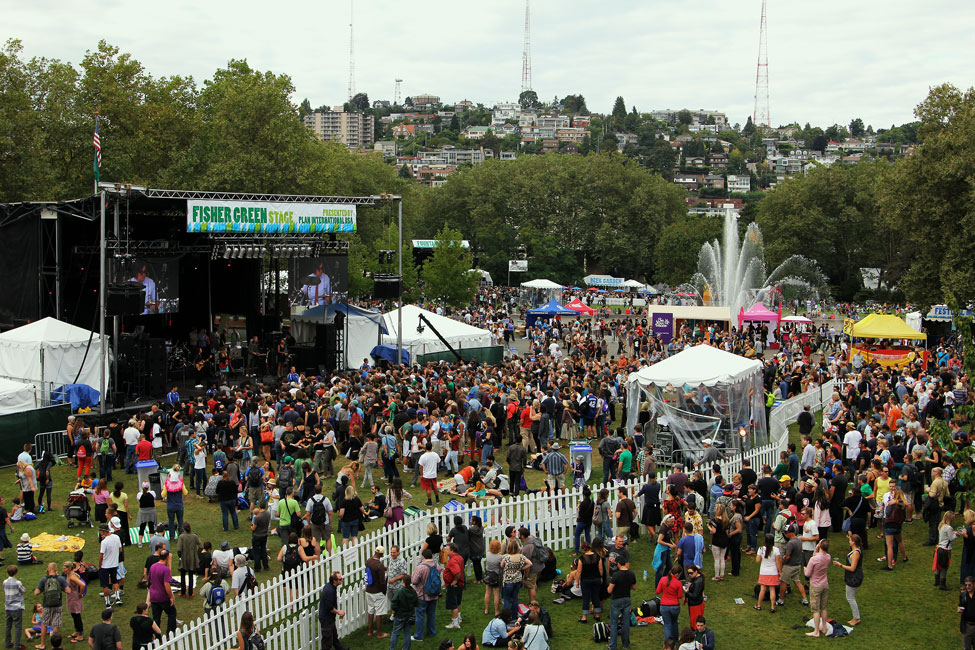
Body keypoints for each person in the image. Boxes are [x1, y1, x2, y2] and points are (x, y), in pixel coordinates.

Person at [33, 562, 69, 650]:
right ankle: (55, 645)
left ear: (47, 570)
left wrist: (44, 590)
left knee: (44, 624)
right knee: (56, 625)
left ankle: (42, 644)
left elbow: (36, 592)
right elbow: (68, 591)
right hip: (58, 605)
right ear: (56, 570)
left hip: (46, 605)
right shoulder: (60, 579)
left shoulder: (43, 579)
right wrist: (60, 588)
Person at [411, 549, 440, 642]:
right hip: (434, 594)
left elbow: (414, 581)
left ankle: (419, 636)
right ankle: (432, 632)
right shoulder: (436, 565)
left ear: (423, 556)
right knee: (431, 614)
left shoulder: (421, 567)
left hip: (422, 595)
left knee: (420, 615)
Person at [606, 557, 635, 650]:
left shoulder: (616, 575)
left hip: (616, 600)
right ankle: (626, 644)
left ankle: (613, 645)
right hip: (627, 599)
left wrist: (608, 585)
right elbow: (634, 587)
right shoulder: (631, 574)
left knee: (614, 623)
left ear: (618, 564)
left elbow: (609, 590)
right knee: (625, 623)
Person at [804, 539, 831, 637]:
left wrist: (805, 569)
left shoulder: (814, 559)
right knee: (824, 607)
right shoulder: (828, 557)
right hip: (825, 584)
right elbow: (818, 556)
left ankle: (816, 631)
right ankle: (824, 627)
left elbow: (807, 574)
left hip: (815, 585)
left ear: (819, 546)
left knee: (816, 609)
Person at [148, 549, 177, 634]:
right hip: (163, 597)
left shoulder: (153, 566)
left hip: (154, 597)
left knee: (156, 618)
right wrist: (171, 596)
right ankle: (170, 633)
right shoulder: (165, 569)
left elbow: (150, 580)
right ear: (167, 557)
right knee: (172, 613)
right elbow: (166, 584)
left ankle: (157, 636)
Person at [318, 572, 349, 650]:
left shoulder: (330, 586)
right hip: (326, 619)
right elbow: (329, 607)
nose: (342, 580)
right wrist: (339, 612)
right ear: (335, 581)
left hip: (329, 618)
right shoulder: (330, 591)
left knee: (334, 637)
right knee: (327, 641)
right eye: (340, 579)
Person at [779, 525, 808, 607]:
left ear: (790, 533)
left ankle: (781, 600)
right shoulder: (799, 540)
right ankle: (805, 599)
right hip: (797, 565)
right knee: (797, 582)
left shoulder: (790, 543)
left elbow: (787, 556)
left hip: (789, 566)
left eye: (786, 533)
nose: (785, 534)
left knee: (783, 581)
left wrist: (782, 561)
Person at [499, 540, 531, 613]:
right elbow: (530, 563)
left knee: (506, 598)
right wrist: (522, 568)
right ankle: (514, 614)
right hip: (518, 579)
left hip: (508, 580)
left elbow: (501, 565)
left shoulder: (506, 557)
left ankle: (507, 615)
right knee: (515, 597)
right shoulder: (521, 557)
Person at [365, 546, 388, 639]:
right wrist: (384, 591)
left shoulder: (368, 561)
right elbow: (382, 582)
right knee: (379, 612)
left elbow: (372, 569)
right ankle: (379, 633)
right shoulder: (379, 565)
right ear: (381, 554)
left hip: (368, 590)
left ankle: (370, 631)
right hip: (377, 591)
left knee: (370, 610)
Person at [656, 564, 683, 643]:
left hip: (664, 606)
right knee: (674, 622)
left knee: (667, 625)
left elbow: (658, 591)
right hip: (675, 606)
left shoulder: (662, 579)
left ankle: (668, 644)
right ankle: (676, 641)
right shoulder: (678, 583)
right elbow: (680, 596)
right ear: (677, 574)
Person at [388, 578, 418, 650]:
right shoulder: (413, 591)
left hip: (400, 615)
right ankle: (406, 648)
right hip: (410, 615)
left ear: (403, 582)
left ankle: (392, 649)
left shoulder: (400, 592)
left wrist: (395, 611)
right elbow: (416, 603)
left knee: (395, 633)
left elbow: (394, 605)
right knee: (407, 633)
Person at [97, 525, 122, 608]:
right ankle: (118, 598)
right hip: (114, 564)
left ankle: (107, 602)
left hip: (105, 566)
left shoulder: (104, 542)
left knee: (105, 585)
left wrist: (99, 566)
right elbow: (120, 549)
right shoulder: (116, 537)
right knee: (115, 581)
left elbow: (101, 556)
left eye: (100, 531)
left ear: (103, 531)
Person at [754, 534, 780, 612]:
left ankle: (759, 605)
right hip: (773, 572)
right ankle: (772, 607)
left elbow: (757, 560)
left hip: (764, 572)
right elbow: (778, 562)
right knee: (772, 589)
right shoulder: (776, 550)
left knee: (762, 589)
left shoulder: (761, 549)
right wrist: (780, 571)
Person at [175, 523, 202, 599]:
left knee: (182, 576)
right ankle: (190, 593)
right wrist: (196, 553)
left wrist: (180, 556)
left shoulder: (181, 537)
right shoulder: (194, 536)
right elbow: (201, 545)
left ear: (183, 528)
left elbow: (179, 549)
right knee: (191, 575)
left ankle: (183, 592)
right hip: (192, 558)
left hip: (184, 558)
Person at [442, 544, 465, 630]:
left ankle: (455, 623)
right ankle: (458, 617)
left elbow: (457, 571)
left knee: (453, 604)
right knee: (458, 602)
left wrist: (455, 580)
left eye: (447, 550)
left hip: (453, 585)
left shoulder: (453, 561)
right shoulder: (460, 558)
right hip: (459, 584)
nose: (446, 551)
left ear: (452, 551)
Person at [62, 563, 85, 644]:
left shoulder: (72, 576)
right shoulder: (69, 575)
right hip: (70, 597)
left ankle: (80, 635)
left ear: (69, 568)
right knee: (73, 615)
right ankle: (76, 631)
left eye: (64, 568)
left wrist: (80, 594)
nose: (63, 570)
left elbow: (82, 585)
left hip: (74, 597)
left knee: (77, 616)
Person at [935, 510, 957, 591]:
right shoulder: (949, 528)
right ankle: (942, 584)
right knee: (945, 566)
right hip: (946, 549)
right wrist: (956, 534)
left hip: (939, 548)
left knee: (938, 565)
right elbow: (951, 538)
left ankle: (936, 581)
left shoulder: (941, 526)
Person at [4, 564, 25, 650]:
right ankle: (17, 645)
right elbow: (23, 590)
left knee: (8, 625)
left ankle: (7, 642)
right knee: (17, 626)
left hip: (7, 606)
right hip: (16, 607)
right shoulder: (17, 583)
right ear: (16, 573)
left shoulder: (5, 582)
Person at [484, 539, 503, 617]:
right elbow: (502, 565)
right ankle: (496, 611)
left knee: (488, 592)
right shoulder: (499, 557)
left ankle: (486, 609)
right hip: (496, 576)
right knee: (496, 594)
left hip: (488, 575)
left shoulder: (487, 554)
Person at [418, 443, 441, 507]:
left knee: (428, 488)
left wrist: (421, 474)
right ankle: (437, 499)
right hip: (433, 474)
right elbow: (438, 462)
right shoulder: (435, 455)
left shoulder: (423, 456)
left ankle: (429, 501)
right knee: (435, 487)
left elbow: (420, 466)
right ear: (431, 447)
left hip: (426, 475)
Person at [960, 576, 975, 650]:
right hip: (967, 627)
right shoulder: (963, 596)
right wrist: (960, 608)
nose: (967, 587)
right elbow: (960, 608)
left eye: (969, 585)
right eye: (966, 585)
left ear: (974, 584)